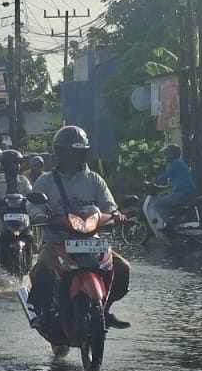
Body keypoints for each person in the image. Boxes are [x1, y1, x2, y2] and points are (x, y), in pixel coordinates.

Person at [28, 125, 132, 328]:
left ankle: (105, 309)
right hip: (57, 241)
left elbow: (108, 205)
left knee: (122, 268)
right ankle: (43, 314)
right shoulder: (46, 180)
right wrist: (38, 214)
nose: (76, 156)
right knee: (41, 271)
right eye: (72, 151)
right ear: (59, 152)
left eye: (80, 152)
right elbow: (33, 204)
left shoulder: (94, 180)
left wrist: (116, 215)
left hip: (91, 241)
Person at [151, 142, 198, 231]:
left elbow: (164, 175)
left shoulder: (175, 164)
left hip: (182, 193)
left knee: (157, 204)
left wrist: (150, 182)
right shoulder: (180, 163)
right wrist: (163, 188)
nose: (166, 156)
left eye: (168, 154)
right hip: (188, 192)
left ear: (174, 154)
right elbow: (176, 182)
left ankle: (170, 226)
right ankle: (177, 223)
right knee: (168, 202)